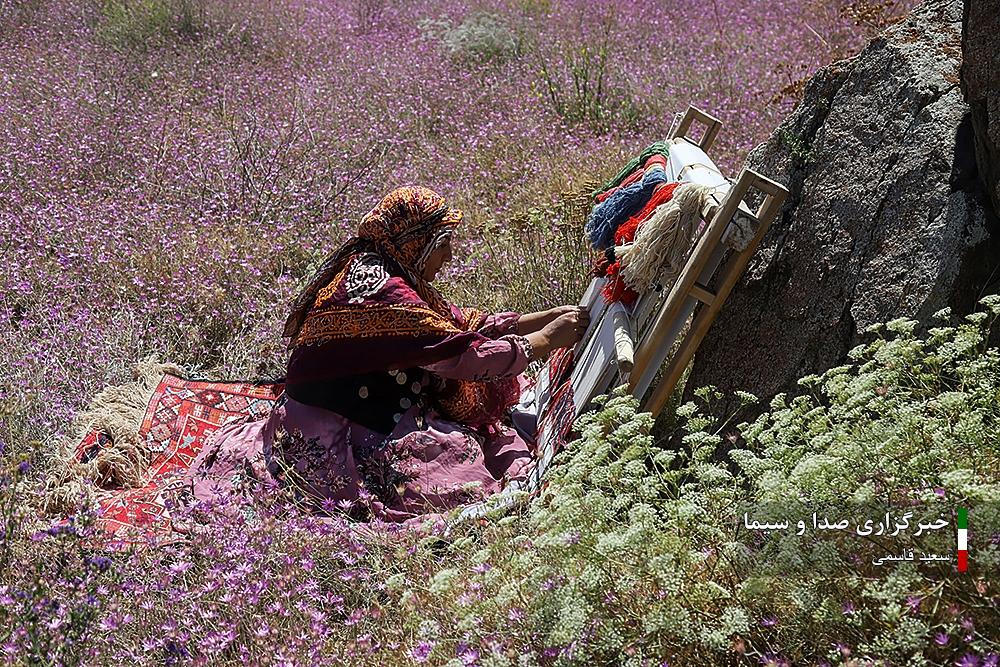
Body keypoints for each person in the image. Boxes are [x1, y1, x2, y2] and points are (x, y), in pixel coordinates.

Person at [184, 186, 588, 523]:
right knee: (458, 477)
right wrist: (546, 340)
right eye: (442, 245)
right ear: (416, 243)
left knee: (471, 443)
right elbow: (457, 357)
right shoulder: (382, 289)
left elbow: (453, 324)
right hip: (335, 429)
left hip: (342, 409)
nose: (449, 257)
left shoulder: (382, 269)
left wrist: (535, 320)